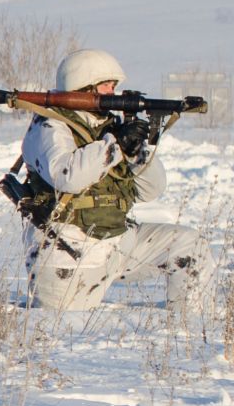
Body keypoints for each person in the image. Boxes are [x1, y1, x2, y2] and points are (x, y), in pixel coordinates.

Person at [18, 49, 219, 313]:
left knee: (190, 246)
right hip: (69, 254)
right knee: (62, 329)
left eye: (114, 85)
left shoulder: (107, 127)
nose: (113, 92)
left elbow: (151, 190)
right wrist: (115, 145)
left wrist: (136, 152)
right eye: (106, 85)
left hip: (117, 242)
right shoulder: (50, 126)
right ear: (83, 85)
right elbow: (66, 175)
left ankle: (190, 330)